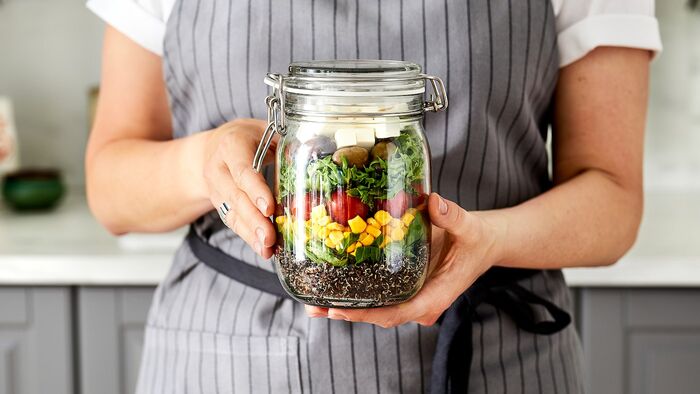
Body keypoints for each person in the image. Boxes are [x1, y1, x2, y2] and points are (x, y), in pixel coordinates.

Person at [85, 0, 661, 393]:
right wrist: (201, 161)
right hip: (227, 360)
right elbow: (110, 190)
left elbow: (612, 199)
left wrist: (491, 240)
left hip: (493, 356)